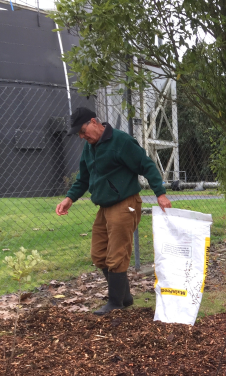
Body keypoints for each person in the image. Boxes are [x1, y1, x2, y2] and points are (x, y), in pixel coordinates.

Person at [56, 107, 172, 315]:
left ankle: (115, 302)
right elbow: (83, 178)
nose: (82, 136)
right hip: (104, 205)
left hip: (125, 203)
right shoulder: (89, 147)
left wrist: (160, 193)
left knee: (117, 254)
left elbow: (146, 165)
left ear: (94, 121)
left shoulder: (121, 141)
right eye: (79, 134)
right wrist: (69, 199)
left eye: (83, 131)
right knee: (98, 254)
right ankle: (124, 297)